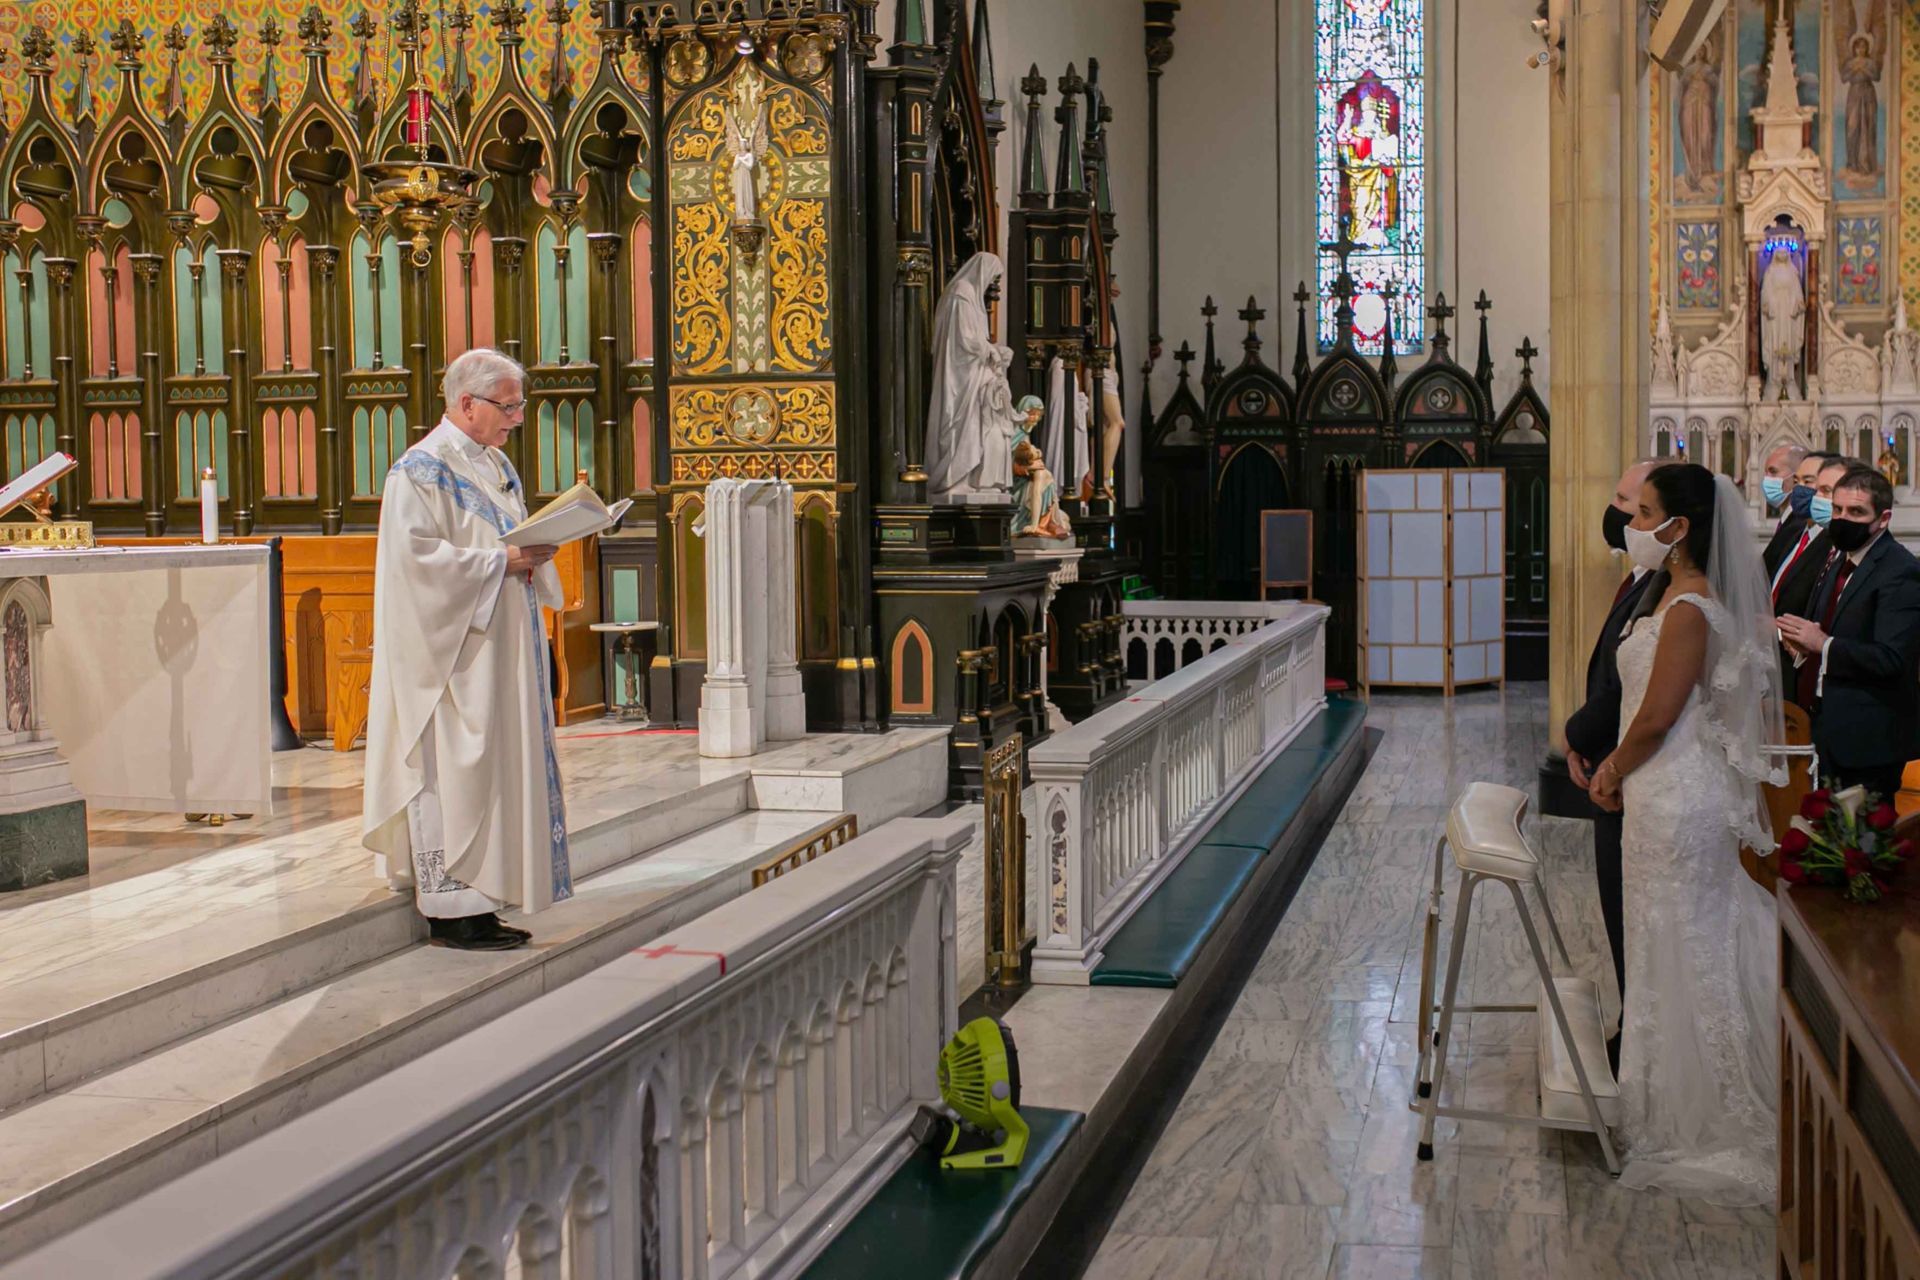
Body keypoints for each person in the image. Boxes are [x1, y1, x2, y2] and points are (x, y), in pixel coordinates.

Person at [1587, 463, 1783, 1205]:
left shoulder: (1691, 609)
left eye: (1645, 514)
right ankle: (1660, 1091)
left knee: (1683, 939)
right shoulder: (1670, 595)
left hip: (1674, 792)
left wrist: (1610, 770)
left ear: (1681, 528)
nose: (1634, 526)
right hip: (1657, 788)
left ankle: (1704, 1106)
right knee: (1659, 939)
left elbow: (1660, 713)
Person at [361, 348, 570, 952]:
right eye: (508, 406)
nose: (518, 418)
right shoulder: (419, 470)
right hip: (451, 657)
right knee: (452, 774)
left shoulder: (494, 462)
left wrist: (540, 549)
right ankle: (451, 912)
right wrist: (501, 560)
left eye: (519, 405)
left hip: (500, 647)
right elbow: (413, 564)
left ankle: (485, 898)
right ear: (466, 402)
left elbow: (509, 541)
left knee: (494, 774)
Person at [1562, 458, 1665, 1063]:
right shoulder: (1641, 578)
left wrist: (1586, 742)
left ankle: (1643, 1037)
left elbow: (1637, 696)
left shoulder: (1674, 594)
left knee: (1636, 914)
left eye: (1635, 506)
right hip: (1613, 763)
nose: (1621, 515)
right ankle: (1635, 1020)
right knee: (1618, 910)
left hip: (1633, 775)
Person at [1778, 465, 1920, 799]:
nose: (1843, 519)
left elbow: (1892, 659)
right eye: (1838, 509)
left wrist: (1823, 645)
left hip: (1868, 741)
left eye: (1856, 512)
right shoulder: (1841, 558)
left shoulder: (1900, 571)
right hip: (1825, 728)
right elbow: (1827, 626)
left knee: (1858, 845)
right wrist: (1802, 647)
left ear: (1882, 519)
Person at [1766, 450, 1830, 591]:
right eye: (1796, 481)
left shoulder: (1833, 545)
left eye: (1807, 481)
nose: (1799, 488)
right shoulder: (1792, 533)